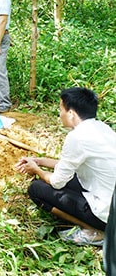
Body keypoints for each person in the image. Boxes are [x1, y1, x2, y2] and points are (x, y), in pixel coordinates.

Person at [15, 87, 116, 246]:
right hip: (109, 198)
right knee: (69, 179)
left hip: (107, 214)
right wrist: (39, 161)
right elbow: (69, 165)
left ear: (71, 114)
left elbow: (57, 182)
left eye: (61, 109)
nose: (59, 114)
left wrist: (36, 170)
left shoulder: (77, 137)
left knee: (36, 189)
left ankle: (99, 232)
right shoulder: (101, 128)